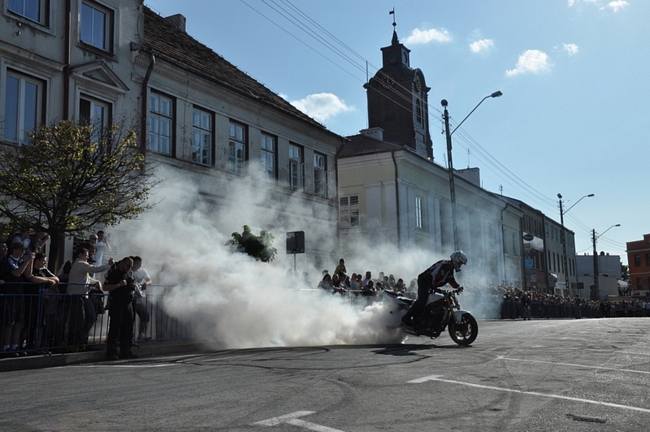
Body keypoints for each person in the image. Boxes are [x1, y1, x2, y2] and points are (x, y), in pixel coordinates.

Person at [402, 251, 467, 327]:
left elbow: (451, 279)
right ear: (456, 260)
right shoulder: (444, 264)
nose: (460, 265)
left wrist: (458, 287)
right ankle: (406, 318)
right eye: (460, 263)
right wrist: (433, 288)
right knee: (422, 300)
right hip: (424, 281)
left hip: (430, 284)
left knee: (441, 301)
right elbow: (432, 276)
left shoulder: (449, 269)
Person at [67, 248, 113, 349]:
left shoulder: (81, 265)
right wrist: (108, 265)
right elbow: (95, 269)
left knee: (91, 316)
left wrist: (96, 281)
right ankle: (75, 342)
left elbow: (87, 279)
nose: (88, 257)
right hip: (77, 296)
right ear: (80, 255)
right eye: (86, 254)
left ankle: (81, 338)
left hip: (83, 295)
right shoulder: (80, 264)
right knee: (79, 320)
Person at [0, 243, 34, 356]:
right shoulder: (9, 260)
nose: (22, 252)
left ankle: (15, 346)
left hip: (19, 294)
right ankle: (6, 347)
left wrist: (30, 261)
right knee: (10, 322)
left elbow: (28, 275)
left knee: (19, 322)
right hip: (10, 294)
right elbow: (17, 273)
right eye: (20, 250)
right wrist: (26, 261)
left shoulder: (20, 262)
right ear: (14, 250)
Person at [103, 257, 137, 360]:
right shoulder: (114, 274)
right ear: (122, 263)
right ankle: (111, 353)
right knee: (115, 329)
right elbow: (105, 287)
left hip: (128, 303)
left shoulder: (129, 274)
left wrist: (133, 286)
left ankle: (126, 351)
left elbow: (132, 285)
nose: (129, 268)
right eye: (127, 265)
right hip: (117, 304)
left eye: (131, 266)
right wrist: (118, 285)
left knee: (128, 329)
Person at [131, 256, 152, 341]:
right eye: (137, 263)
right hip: (130, 298)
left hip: (138, 298)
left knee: (146, 315)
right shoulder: (129, 271)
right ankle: (128, 336)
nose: (138, 265)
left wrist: (146, 283)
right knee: (130, 318)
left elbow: (150, 280)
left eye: (140, 264)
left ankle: (141, 334)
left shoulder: (142, 271)